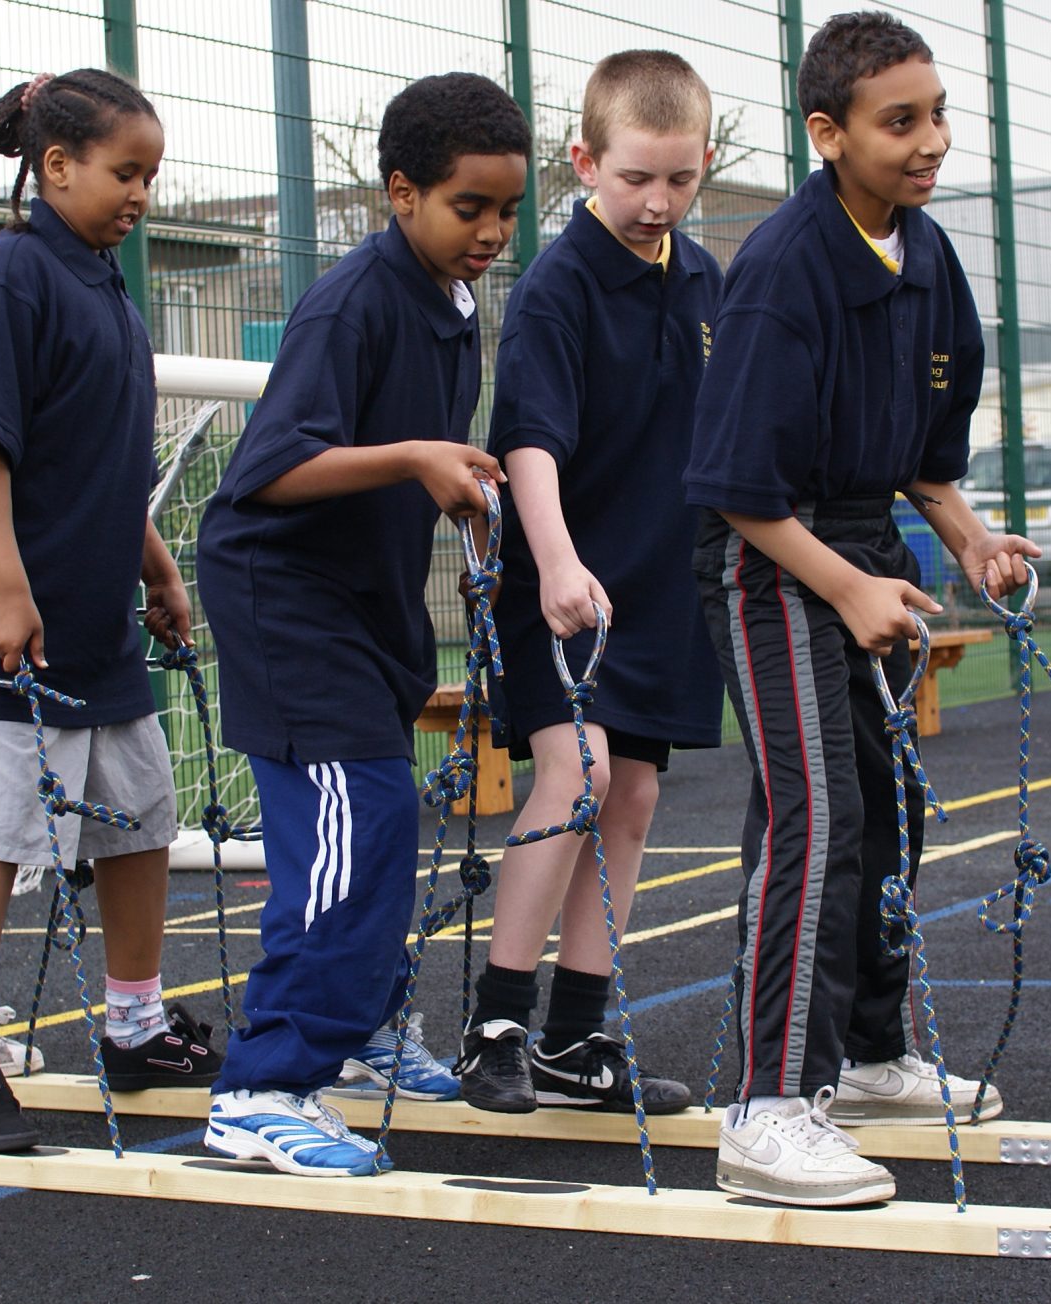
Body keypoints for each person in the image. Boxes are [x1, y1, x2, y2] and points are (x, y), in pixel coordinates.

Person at [684, 11, 1039, 1208]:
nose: (931, 140)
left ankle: (873, 1057)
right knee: (814, 815)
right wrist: (843, 587)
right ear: (828, 134)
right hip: (772, 563)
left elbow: (923, 462)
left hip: (868, 552)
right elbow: (736, 489)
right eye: (902, 122)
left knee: (887, 821)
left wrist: (974, 542)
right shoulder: (783, 268)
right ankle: (769, 1107)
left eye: (939, 114)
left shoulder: (927, 255)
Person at [192, 72, 530, 1178]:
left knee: (380, 824)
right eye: (467, 207)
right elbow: (275, 464)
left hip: (366, 599)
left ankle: (358, 1036)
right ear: (400, 194)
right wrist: (420, 457)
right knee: (354, 831)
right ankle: (259, 1086)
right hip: (285, 598)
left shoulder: (453, 305)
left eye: (505, 210)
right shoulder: (354, 300)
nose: (489, 232)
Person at [0, 68, 218, 1154]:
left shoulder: (106, 287)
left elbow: (103, 463)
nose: (140, 194)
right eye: (125, 172)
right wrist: (7, 588)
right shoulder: (8, 283)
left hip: (94, 613)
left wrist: (157, 568)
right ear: (55, 166)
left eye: (150, 176)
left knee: (140, 811)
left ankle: (132, 1021)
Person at [455, 51, 723, 1117]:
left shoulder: (705, 280)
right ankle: (496, 1026)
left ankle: (574, 1037)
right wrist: (557, 561)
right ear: (584, 161)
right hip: (564, 582)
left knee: (637, 792)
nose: (658, 202)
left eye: (681, 179)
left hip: (663, 587)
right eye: (635, 180)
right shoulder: (557, 288)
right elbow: (529, 442)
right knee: (580, 776)